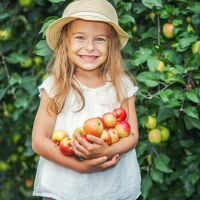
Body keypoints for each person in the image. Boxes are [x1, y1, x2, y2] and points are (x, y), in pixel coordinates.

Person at [32, 0, 141, 199]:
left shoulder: (122, 85)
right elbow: (39, 141)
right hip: (66, 191)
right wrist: (81, 166)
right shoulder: (55, 86)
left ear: (112, 45)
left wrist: (106, 149)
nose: (90, 47)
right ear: (66, 42)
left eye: (100, 39)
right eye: (80, 37)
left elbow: (132, 136)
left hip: (113, 190)